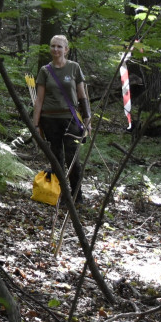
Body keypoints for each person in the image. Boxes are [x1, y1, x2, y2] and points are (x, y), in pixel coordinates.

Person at [32, 34, 91, 205]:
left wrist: (87, 118)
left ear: (66, 49)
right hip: (49, 119)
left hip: (70, 119)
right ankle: (62, 194)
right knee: (56, 158)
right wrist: (36, 125)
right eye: (53, 46)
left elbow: (82, 95)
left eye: (59, 46)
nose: (55, 49)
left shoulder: (74, 68)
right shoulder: (45, 70)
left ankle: (77, 195)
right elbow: (39, 100)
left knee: (73, 158)